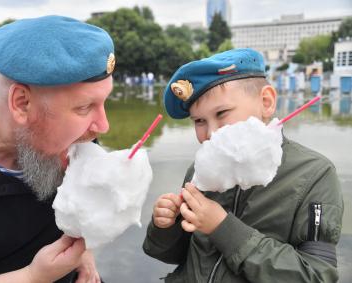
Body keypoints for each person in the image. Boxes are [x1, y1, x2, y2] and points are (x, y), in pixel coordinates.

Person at [0, 15, 116, 282]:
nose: (102, 126)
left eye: (103, 103)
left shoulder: (80, 135)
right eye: (84, 107)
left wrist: (85, 249)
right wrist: (32, 276)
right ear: (22, 103)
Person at [143, 48, 343, 282]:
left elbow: (317, 276)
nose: (211, 133)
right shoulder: (199, 172)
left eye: (222, 113)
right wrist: (167, 225)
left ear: (266, 102)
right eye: (199, 121)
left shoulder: (315, 175)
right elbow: (174, 255)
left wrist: (223, 228)